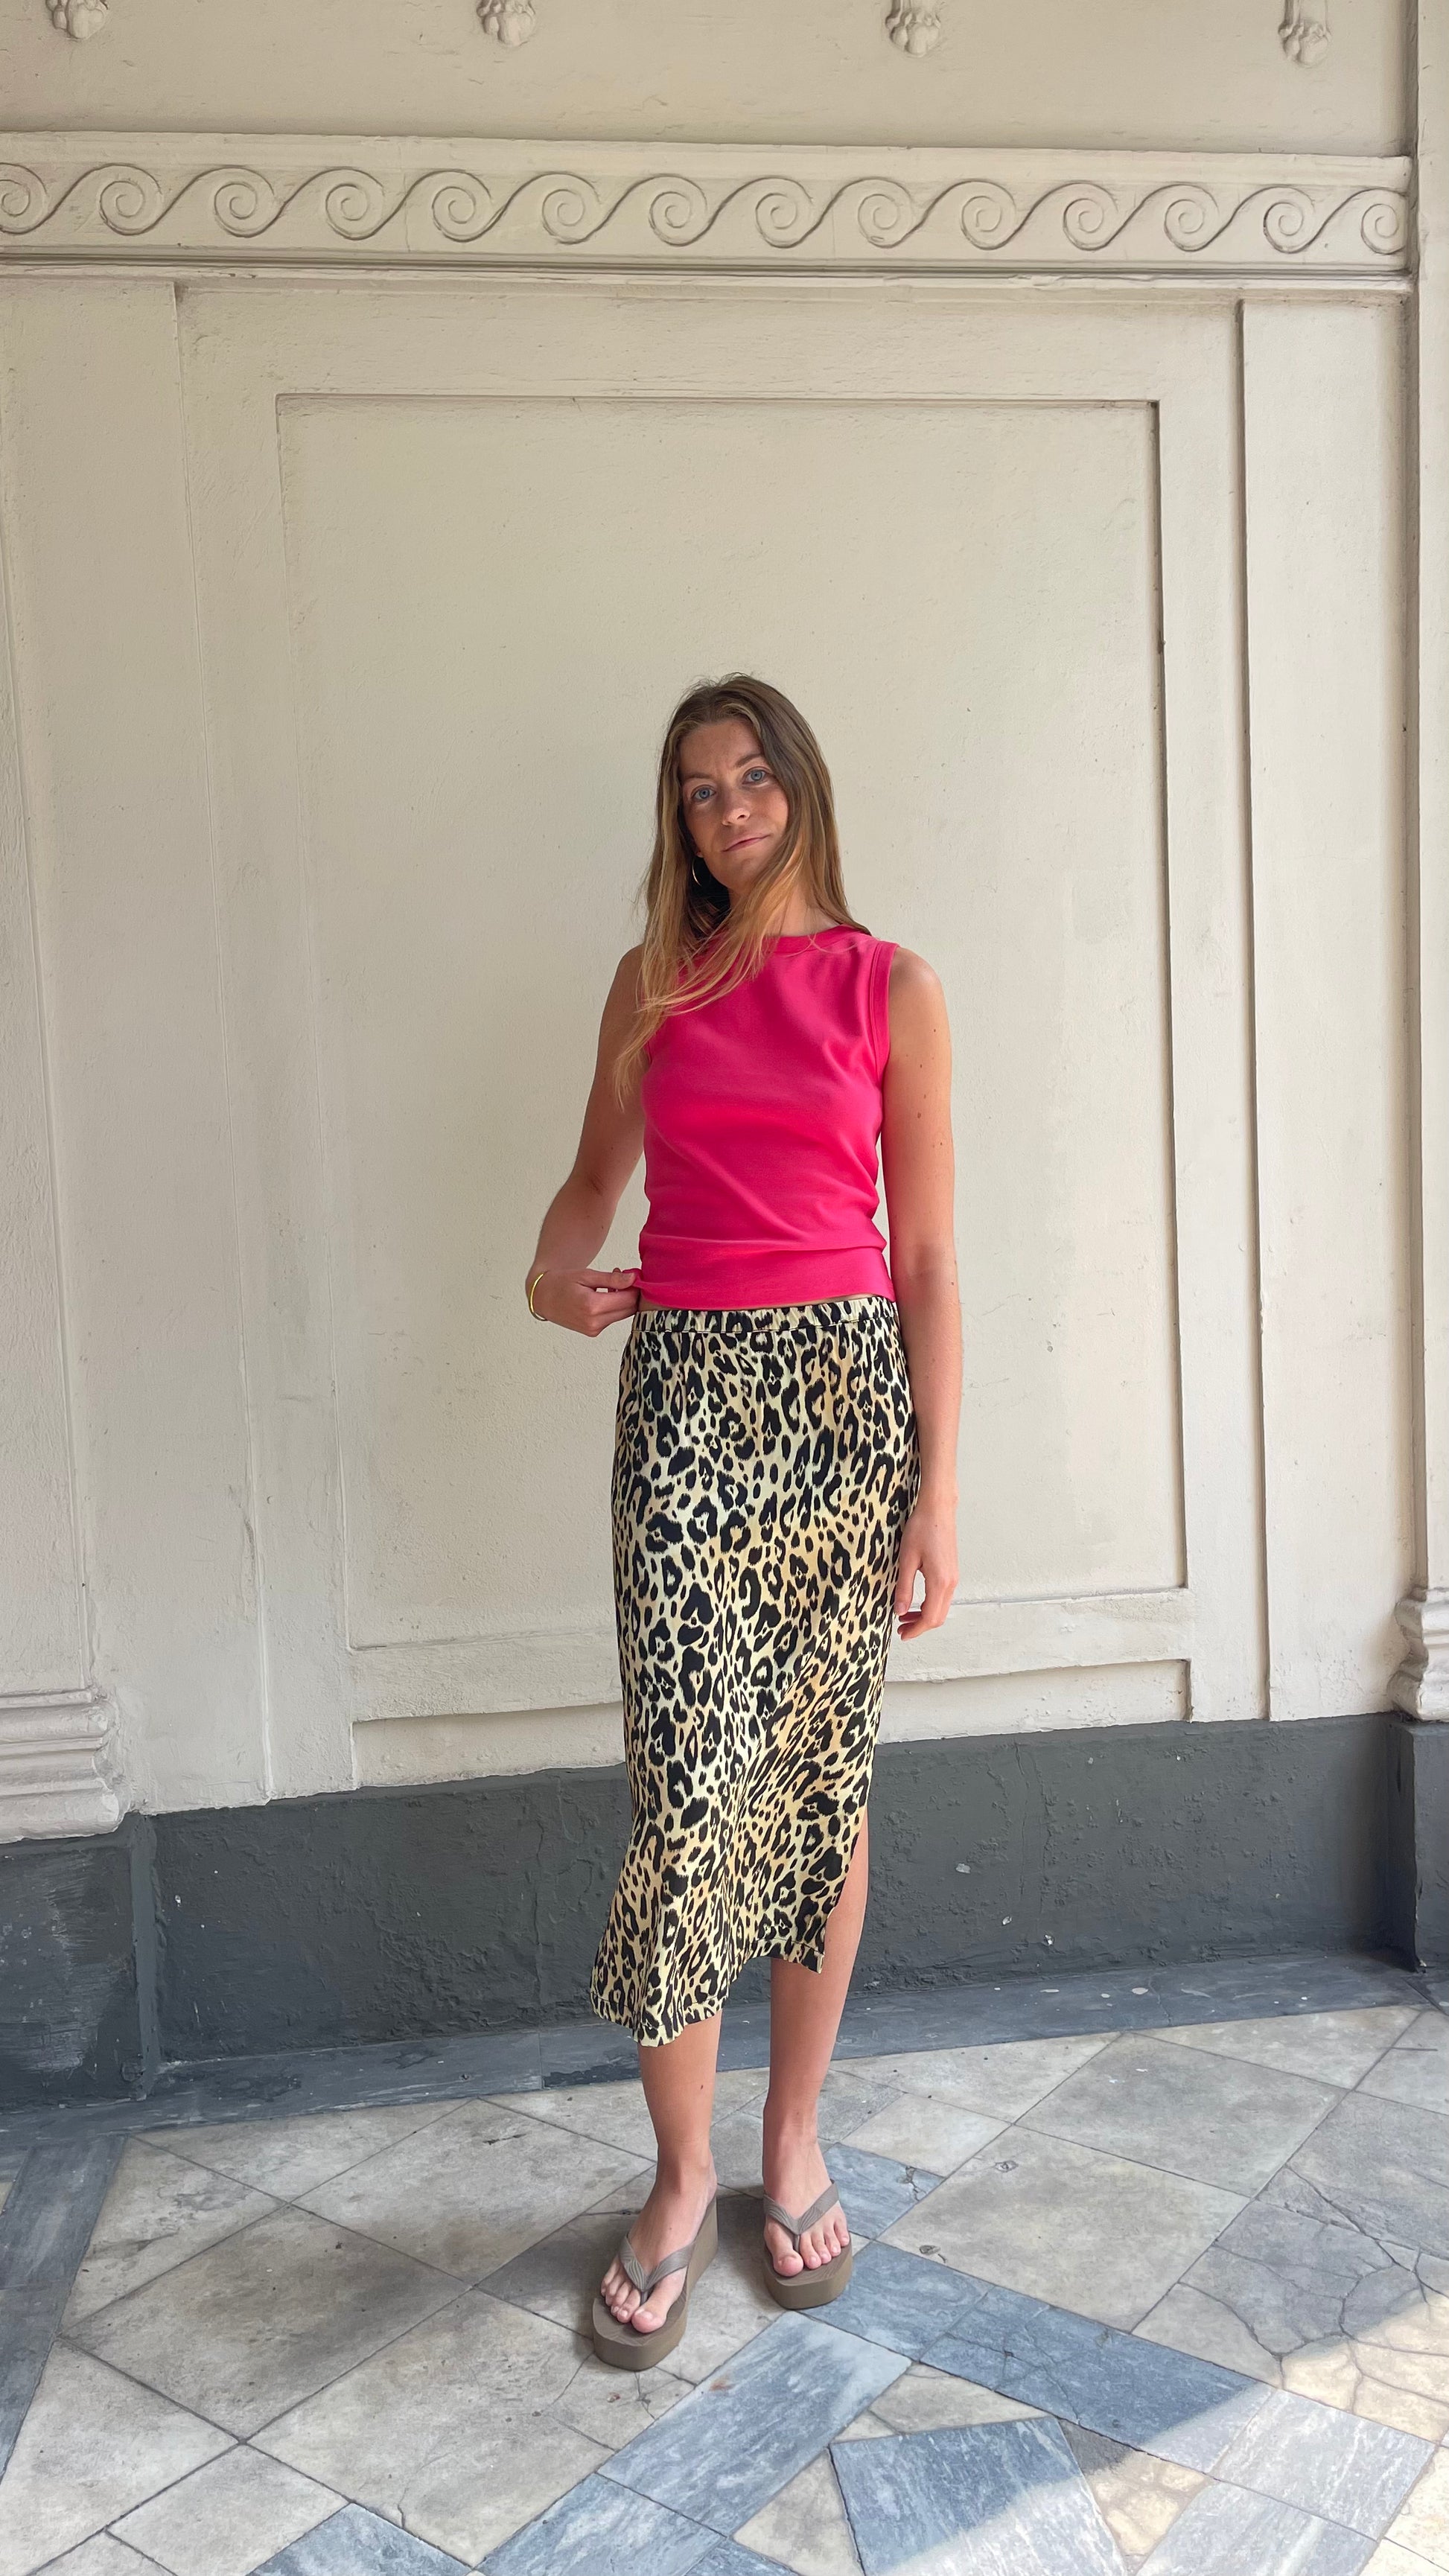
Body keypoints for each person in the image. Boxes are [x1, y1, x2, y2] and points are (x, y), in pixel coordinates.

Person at [523, 672, 961, 2370]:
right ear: (679, 820)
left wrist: (937, 1486)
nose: (731, 812)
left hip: (847, 1402)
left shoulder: (890, 985)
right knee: (689, 1787)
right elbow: (591, 1181)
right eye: (701, 790)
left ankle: (791, 2140)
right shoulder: (650, 983)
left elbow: (926, 1259)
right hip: (688, 1400)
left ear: (803, 787)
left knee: (821, 1779)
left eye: (754, 777)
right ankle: (681, 2171)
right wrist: (552, 1273)